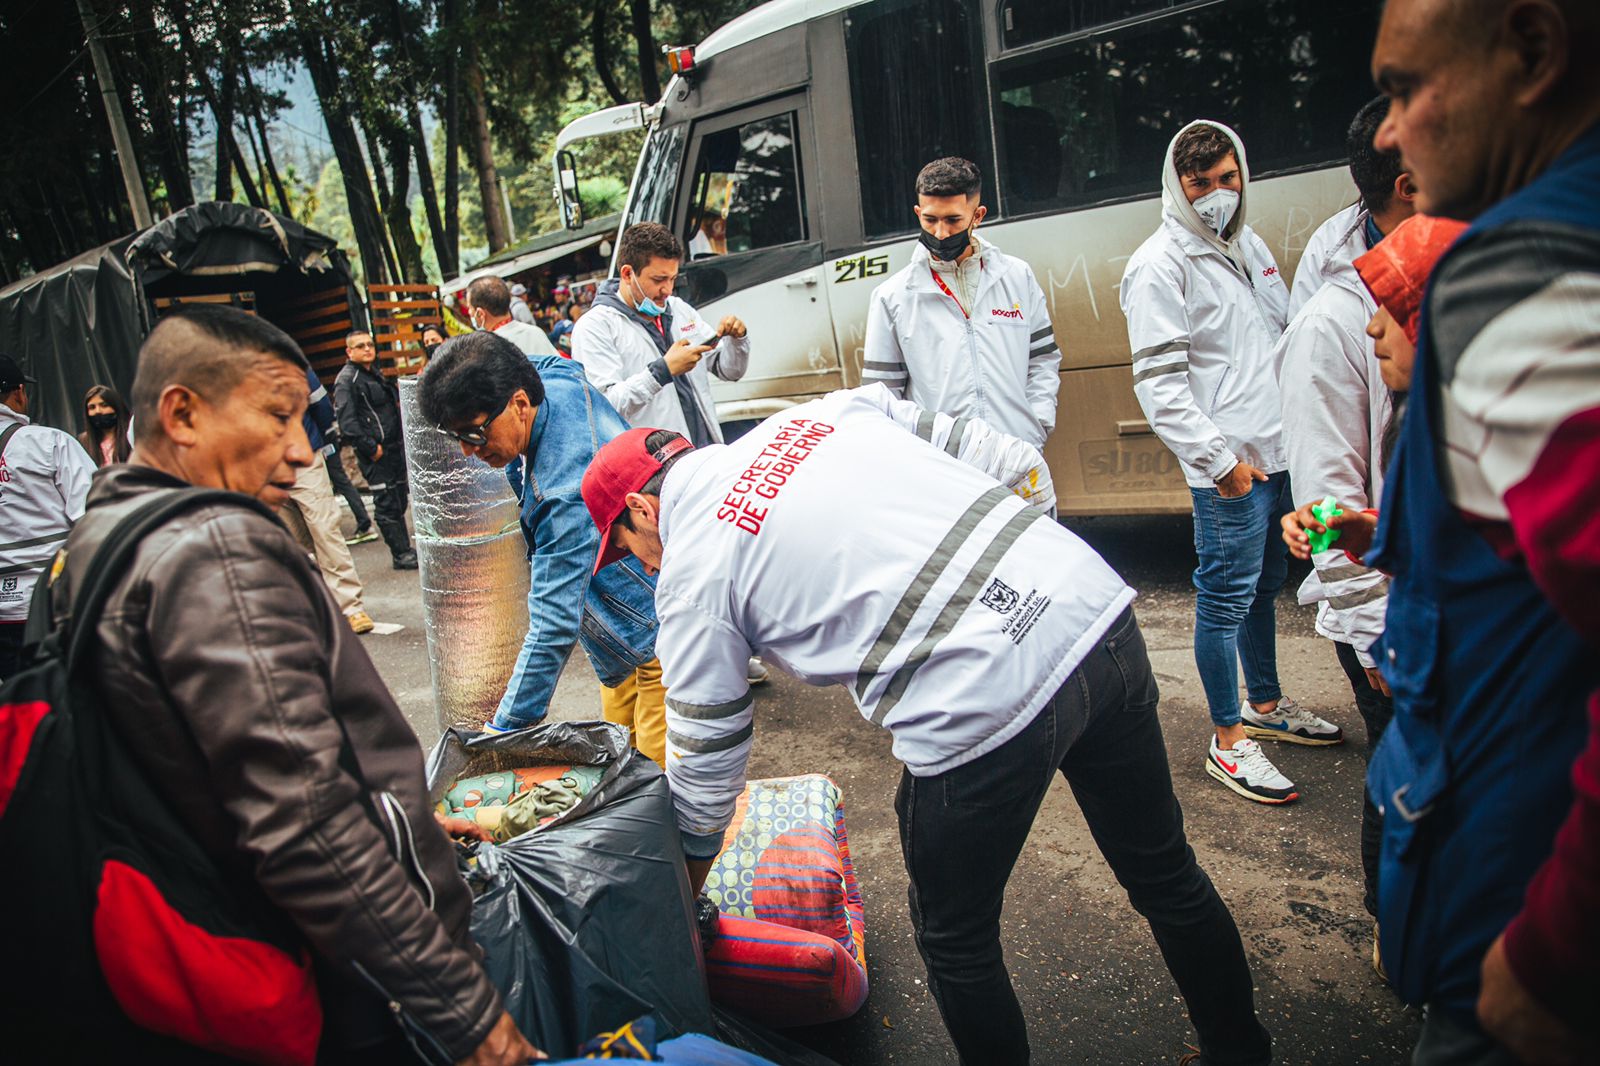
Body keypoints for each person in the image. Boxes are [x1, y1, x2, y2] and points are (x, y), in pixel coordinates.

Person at [579, 388, 1272, 1066]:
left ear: (644, 507)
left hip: (976, 705)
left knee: (956, 939)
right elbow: (1009, 455)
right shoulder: (820, 413)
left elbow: (705, 767)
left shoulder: (693, 574)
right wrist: (1030, 580)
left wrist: (681, 903)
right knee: (1166, 874)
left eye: (629, 548)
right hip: (1092, 613)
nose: (641, 565)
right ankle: (1242, 1051)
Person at [44, 306, 537, 1063]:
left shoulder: (95, 539)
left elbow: (216, 764)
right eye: (278, 417)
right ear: (182, 414)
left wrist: (414, 829)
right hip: (337, 973)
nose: (303, 450)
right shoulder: (217, 551)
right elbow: (307, 823)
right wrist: (466, 1014)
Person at [1327, 1, 1600, 1060]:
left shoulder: (1513, 272)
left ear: (1531, 52)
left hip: (1517, 891)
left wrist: (1554, 948)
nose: (1388, 133)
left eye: (1403, 88)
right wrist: (1394, 532)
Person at [1120, 120, 1343, 806]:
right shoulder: (1159, 265)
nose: (1216, 194)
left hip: (1277, 453)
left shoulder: (1246, 245)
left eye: (1226, 178)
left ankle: (1266, 708)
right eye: (1200, 184)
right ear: (1176, 187)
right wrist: (1221, 463)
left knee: (1266, 583)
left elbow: (1281, 334)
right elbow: (1160, 383)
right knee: (1222, 598)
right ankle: (1227, 742)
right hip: (1232, 468)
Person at [1272, 95, 1415, 956]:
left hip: (1450, 596)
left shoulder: (1453, 279)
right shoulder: (1335, 325)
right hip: (1391, 614)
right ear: (1406, 185)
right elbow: (1329, 504)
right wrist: (1377, 640)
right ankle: (1394, 934)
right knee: (1404, 782)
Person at [417, 333, 667, 758]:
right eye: (457, 437)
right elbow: (532, 362)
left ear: (517, 404)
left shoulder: (563, 491)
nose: (467, 451)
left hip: (650, 621)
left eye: (475, 434)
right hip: (618, 623)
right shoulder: (555, 379)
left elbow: (552, 626)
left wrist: (500, 736)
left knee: (657, 767)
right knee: (615, 747)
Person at [863, 157, 1062, 451]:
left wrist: (1037, 425)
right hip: (942, 465)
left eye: (953, 220)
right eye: (930, 220)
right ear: (918, 212)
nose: (940, 233)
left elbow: (1042, 360)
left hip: (1017, 452)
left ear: (977, 215)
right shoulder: (892, 296)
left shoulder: (1017, 277)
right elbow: (881, 397)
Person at [571, 222, 750, 449]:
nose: (667, 289)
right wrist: (662, 372)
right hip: (656, 470)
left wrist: (738, 340)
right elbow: (604, 407)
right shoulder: (595, 327)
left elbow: (730, 371)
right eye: (658, 280)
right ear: (627, 274)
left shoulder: (678, 309)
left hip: (705, 452)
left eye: (672, 279)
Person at [0, 354, 95, 678]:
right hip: (52, 608)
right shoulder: (49, 443)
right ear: (18, 395)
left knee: (20, 712)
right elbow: (95, 517)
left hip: (4, 622)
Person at [280, 365, 376, 634]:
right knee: (291, 539)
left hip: (304, 457)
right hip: (263, 466)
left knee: (324, 530)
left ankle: (351, 607)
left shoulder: (288, 361)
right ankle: (318, 603)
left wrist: (324, 440)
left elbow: (320, 403)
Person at [334, 330, 417, 570]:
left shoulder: (373, 374)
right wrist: (372, 449)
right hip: (377, 455)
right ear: (350, 352)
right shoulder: (347, 380)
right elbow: (347, 424)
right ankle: (401, 554)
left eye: (370, 344)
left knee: (399, 499)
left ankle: (405, 550)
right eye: (361, 346)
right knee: (387, 504)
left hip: (393, 451)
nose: (368, 349)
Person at [467, 277, 558, 357]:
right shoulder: (535, 332)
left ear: (480, 313)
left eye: (469, 308)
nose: (469, 312)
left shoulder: (486, 350)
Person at [77, 384, 132, 467]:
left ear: (116, 407)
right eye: (92, 407)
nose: (98, 411)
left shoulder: (132, 434)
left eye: (104, 405)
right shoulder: (83, 441)